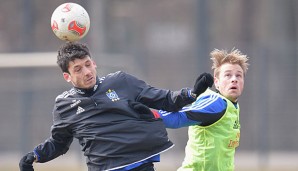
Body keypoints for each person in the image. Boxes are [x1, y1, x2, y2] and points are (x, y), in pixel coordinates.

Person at [19, 41, 213, 171]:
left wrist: (191, 93)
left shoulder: (121, 81)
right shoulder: (64, 105)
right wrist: (35, 155)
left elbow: (165, 99)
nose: (86, 72)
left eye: (88, 64)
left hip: (140, 163)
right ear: (67, 77)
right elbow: (59, 143)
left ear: (94, 63)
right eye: (78, 69)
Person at [144, 48, 249, 171]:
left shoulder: (233, 106)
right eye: (228, 75)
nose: (234, 79)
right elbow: (178, 118)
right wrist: (143, 114)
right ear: (217, 82)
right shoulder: (216, 104)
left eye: (238, 75)